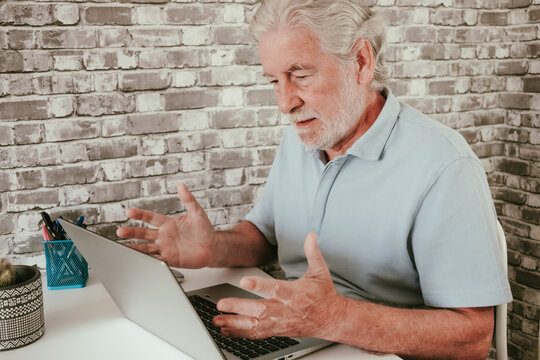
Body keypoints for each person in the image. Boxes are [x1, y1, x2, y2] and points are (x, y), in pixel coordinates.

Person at [117, 0, 512, 358]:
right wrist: (213, 249)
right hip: (301, 338)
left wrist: (334, 318)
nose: (285, 102)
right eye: (274, 80)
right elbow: (264, 238)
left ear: (361, 61)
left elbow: (473, 336)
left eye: (300, 74)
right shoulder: (304, 135)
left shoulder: (444, 164)